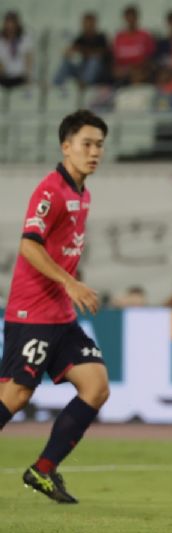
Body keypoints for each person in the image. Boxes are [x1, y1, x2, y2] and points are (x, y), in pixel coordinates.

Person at [0, 110, 110, 503]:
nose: (94, 152)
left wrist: (67, 288)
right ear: (66, 147)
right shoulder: (50, 191)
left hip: (60, 315)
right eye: (86, 144)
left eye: (99, 145)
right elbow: (29, 245)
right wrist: (71, 282)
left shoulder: (83, 192)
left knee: (96, 387)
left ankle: (43, 470)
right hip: (31, 314)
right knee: (14, 396)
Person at [52, 12, 108, 88]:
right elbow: (72, 50)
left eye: (89, 23)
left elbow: (100, 54)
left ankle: (85, 83)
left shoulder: (101, 37)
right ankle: (56, 84)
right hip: (82, 68)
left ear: (94, 24)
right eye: (85, 23)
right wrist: (69, 52)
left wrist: (83, 50)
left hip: (97, 71)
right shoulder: (80, 38)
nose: (87, 25)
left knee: (94, 61)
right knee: (66, 63)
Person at [0, 10, 33, 88]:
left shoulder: (25, 39)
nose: (10, 26)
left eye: (12, 23)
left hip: (19, 76)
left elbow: (29, 60)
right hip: (4, 75)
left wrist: (28, 78)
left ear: (17, 24)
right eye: (8, 23)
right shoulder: (1, 40)